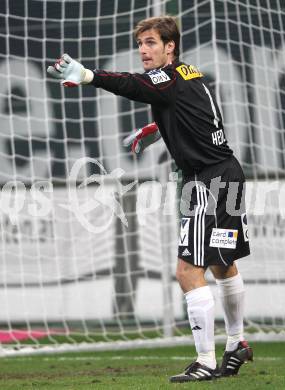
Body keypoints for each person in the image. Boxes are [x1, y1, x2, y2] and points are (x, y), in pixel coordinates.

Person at [47, 15, 253, 383]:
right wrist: (158, 128)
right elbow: (197, 113)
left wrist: (90, 75)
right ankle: (236, 343)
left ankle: (205, 361)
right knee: (223, 265)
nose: (143, 50)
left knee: (187, 271)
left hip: (206, 182)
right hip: (228, 173)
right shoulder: (191, 75)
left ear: (169, 46)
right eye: (141, 43)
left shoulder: (167, 77)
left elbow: (133, 85)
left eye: (151, 43)